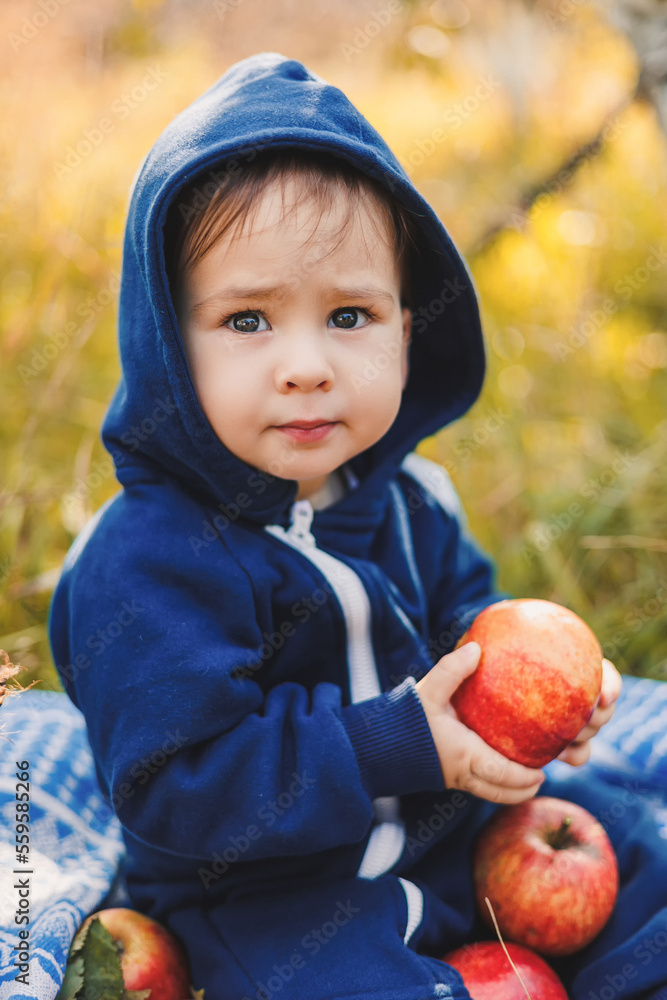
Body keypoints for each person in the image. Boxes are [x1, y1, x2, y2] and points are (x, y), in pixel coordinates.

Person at [48, 52, 667, 1000]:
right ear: (170, 345)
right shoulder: (143, 567)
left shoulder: (414, 499)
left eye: (348, 315)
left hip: (456, 825)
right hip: (273, 893)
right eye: (248, 321)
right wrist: (393, 742)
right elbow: (182, 784)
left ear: (407, 331)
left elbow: (474, 624)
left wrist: (548, 697)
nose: (305, 365)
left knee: (629, 841)